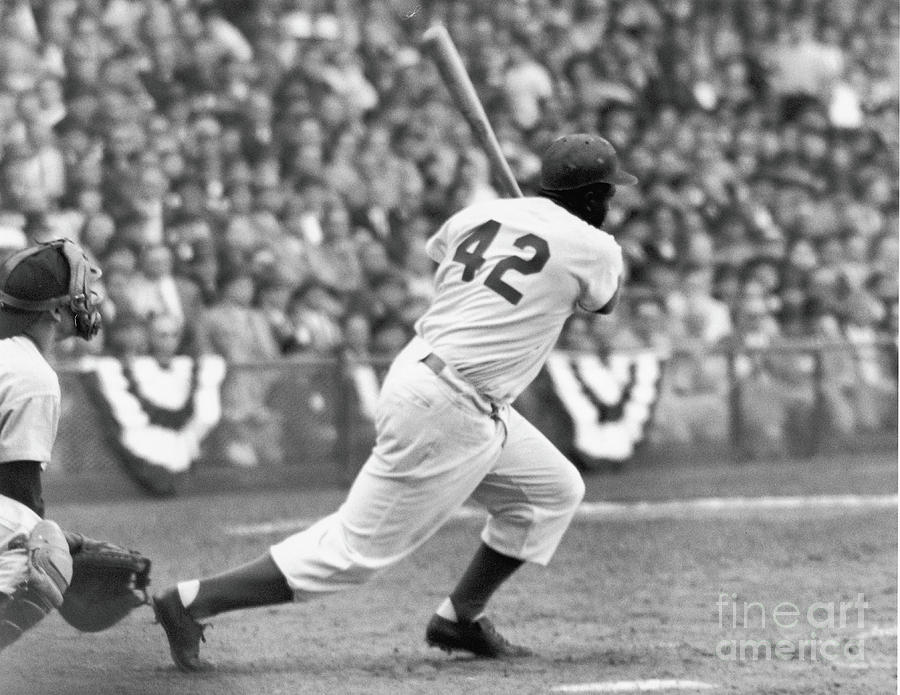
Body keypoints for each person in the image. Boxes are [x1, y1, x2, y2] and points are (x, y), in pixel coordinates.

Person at [151, 134, 634, 671]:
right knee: (353, 554)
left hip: (431, 377)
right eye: (607, 194)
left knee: (551, 490)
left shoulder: (480, 214)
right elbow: (604, 302)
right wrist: (557, 239)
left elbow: (447, 255)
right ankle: (192, 601)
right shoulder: (595, 247)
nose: (611, 204)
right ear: (591, 198)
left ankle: (460, 618)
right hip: (450, 406)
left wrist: (527, 224)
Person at [0, 238, 103, 649]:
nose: (88, 301)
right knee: (40, 550)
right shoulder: (30, 374)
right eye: (81, 293)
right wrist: (60, 542)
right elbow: (17, 490)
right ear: (57, 310)